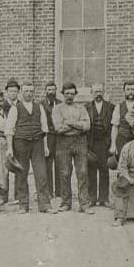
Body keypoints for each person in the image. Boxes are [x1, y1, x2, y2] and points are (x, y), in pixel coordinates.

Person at [5, 82, 53, 214]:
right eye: (26, 91)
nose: (29, 94)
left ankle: (44, 205)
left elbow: (44, 128)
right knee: (22, 173)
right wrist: (10, 148)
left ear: (34, 92)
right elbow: (9, 130)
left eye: (31, 91)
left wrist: (45, 146)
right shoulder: (16, 108)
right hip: (21, 143)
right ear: (21, 92)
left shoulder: (39, 107)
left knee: (41, 173)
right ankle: (23, 205)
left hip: (37, 142)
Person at [52, 82, 93, 213]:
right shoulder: (57, 109)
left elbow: (87, 126)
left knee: (82, 172)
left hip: (80, 141)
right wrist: (77, 125)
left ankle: (84, 204)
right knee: (64, 173)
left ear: (75, 94)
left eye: (72, 93)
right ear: (62, 94)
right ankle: (66, 203)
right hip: (63, 142)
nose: (69, 96)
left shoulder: (81, 108)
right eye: (67, 93)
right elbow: (58, 128)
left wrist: (69, 123)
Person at [86, 82, 114, 207]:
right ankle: (92, 198)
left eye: (100, 91)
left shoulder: (111, 107)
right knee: (91, 170)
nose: (98, 94)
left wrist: (111, 143)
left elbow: (113, 126)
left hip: (105, 143)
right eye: (95, 91)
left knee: (104, 170)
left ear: (104, 92)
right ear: (91, 93)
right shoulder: (86, 107)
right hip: (91, 143)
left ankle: (104, 198)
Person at [2, 78, 22, 205]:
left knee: (18, 166)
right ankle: (3, 196)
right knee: (5, 168)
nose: (13, 93)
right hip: (5, 139)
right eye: (10, 91)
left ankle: (18, 195)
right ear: (6, 92)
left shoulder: (21, 105)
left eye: (15, 91)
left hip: (18, 139)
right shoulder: (2, 105)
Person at [110, 80, 134, 161]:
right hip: (122, 140)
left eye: (132, 89)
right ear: (124, 91)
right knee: (122, 164)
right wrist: (113, 145)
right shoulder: (118, 107)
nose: (130, 92)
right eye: (128, 89)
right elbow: (115, 127)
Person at [41, 82, 60, 204]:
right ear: (45, 91)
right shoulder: (41, 105)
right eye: (49, 89)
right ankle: (48, 192)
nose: (51, 92)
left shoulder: (60, 104)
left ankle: (59, 192)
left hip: (59, 137)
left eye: (53, 89)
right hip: (47, 137)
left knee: (59, 164)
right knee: (47, 165)